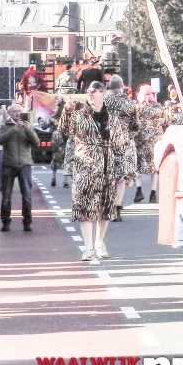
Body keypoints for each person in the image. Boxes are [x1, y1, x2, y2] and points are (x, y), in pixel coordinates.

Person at [72, 82, 114, 261]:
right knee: (85, 208)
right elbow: (64, 130)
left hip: (107, 167)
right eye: (88, 90)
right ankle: (88, 248)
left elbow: (121, 141)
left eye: (94, 90)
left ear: (102, 94)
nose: (90, 93)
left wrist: (124, 169)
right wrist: (66, 111)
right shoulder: (79, 115)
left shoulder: (111, 117)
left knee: (104, 209)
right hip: (86, 167)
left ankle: (99, 242)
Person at [0, 104, 39, 232]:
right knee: (6, 196)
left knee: (27, 195)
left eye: (19, 111)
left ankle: (27, 222)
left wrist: (29, 131)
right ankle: (5, 222)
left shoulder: (27, 125)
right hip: (8, 164)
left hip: (25, 164)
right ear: (9, 113)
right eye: (15, 111)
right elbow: (0, 140)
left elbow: (36, 143)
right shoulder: (5, 126)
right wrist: (14, 129)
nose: (17, 113)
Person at [103, 74, 138, 222]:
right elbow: (135, 125)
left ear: (109, 86)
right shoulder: (129, 103)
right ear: (122, 86)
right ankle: (117, 209)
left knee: (107, 176)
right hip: (124, 143)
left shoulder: (104, 101)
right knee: (121, 177)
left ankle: (107, 206)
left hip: (106, 141)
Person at [133, 84, 169, 204]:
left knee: (139, 165)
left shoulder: (137, 107)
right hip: (155, 140)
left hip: (141, 140)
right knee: (154, 166)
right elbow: (167, 120)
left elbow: (133, 122)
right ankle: (153, 193)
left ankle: (139, 190)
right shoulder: (158, 106)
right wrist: (161, 122)